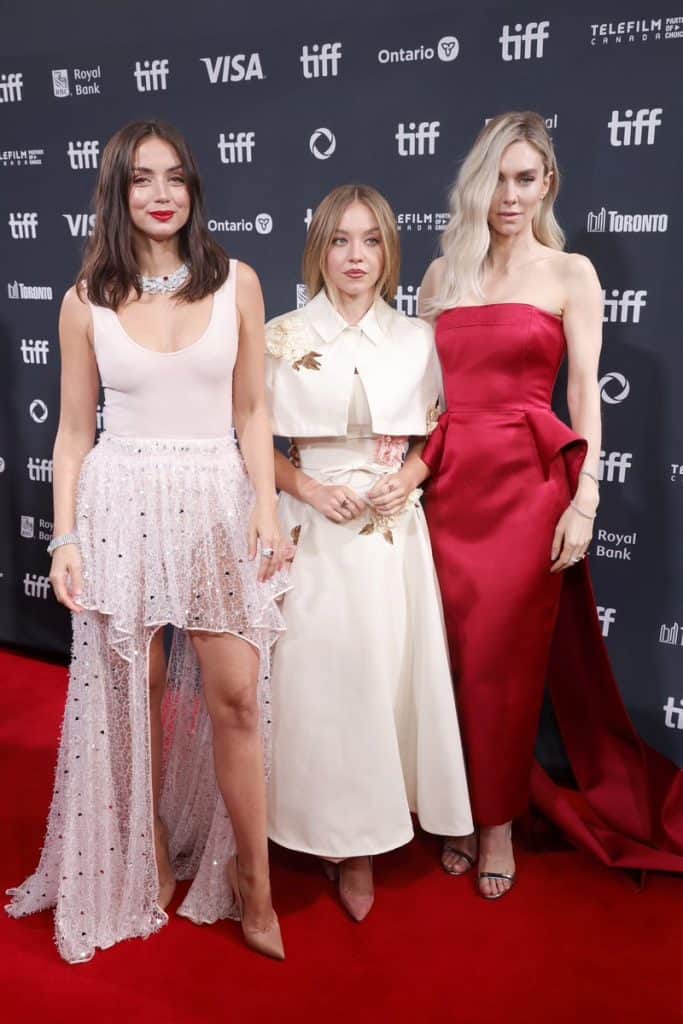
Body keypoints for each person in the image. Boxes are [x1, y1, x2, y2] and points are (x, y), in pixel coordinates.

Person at [6, 120, 288, 961]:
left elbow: (251, 411)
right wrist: (63, 538)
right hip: (119, 502)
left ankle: (253, 883)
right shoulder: (84, 298)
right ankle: (151, 842)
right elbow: (70, 434)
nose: (160, 193)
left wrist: (266, 507)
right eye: (140, 179)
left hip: (213, 498)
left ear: (194, 189)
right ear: (117, 194)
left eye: (174, 177)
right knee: (137, 697)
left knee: (235, 694)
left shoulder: (236, 280)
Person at [416, 110, 683, 898]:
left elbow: (581, 396)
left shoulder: (571, 274)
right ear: (475, 183)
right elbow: (425, 400)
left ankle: (495, 823)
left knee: (501, 665)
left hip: (530, 489)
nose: (508, 194)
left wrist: (584, 500)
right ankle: (455, 807)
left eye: (524, 178)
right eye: (495, 177)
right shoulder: (440, 277)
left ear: (547, 185)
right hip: (447, 485)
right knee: (449, 662)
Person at [264, 184, 472, 921]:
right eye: (340, 240)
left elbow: (440, 429)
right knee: (314, 685)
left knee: (378, 680)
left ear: (389, 251)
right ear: (318, 248)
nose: (355, 256)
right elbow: (252, 442)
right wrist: (307, 489)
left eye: (371, 240)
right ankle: (315, 827)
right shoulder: (279, 335)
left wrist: (409, 477)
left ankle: (360, 854)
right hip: (307, 530)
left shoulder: (419, 340)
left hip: (389, 536)